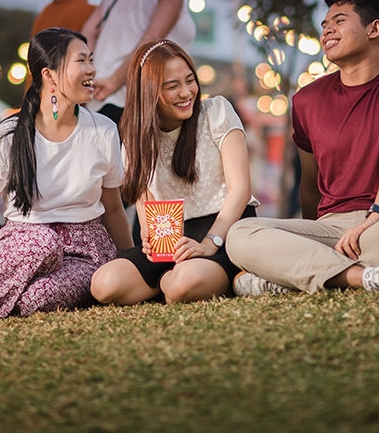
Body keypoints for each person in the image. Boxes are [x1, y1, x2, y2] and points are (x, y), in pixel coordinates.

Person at [226, 0, 379, 296]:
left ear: (374, 29)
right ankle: (364, 277)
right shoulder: (306, 100)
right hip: (332, 229)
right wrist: (305, 238)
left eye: (339, 21)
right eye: (325, 25)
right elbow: (309, 185)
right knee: (240, 234)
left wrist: (375, 216)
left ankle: (294, 274)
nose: (326, 31)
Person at [0, 28, 133, 320]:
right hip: (23, 242)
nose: (92, 70)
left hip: (84, 250)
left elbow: (112, 208)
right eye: (82, 61)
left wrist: (130, 259)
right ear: (49, 74)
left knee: (39, 297)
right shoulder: (9, 134)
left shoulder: (103, 130)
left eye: (91, 60)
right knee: (41, 243)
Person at [90, 40, 258, 305]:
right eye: (172, 86)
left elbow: (241, 190)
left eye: (189, 80)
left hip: (226, 231)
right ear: (148, 92)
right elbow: (145, 206)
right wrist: (147, 236)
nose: (186, 92)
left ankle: (171, 283)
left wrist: (209, 243)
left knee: (184, 283)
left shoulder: (216, 112)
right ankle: (168, 281)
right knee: (104, 284)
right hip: (171, 241)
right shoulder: (136, 138)